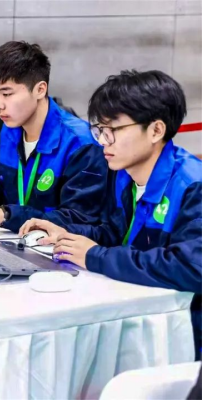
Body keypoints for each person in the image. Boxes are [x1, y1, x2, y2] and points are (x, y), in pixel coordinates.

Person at [20, 70, 202, 358]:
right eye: (100, 130)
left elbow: (191, 267)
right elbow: (117, 233)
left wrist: (96, 257)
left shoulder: (193, 185)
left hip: (186, 338)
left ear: (156, 130)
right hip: (141, 317)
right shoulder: (124, 175)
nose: (104, 141)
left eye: (113, 130)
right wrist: (68, 235)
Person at [0, 41, 108, 233]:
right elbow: (5, 189)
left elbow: (79, 219)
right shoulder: (10, 131)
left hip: (55, 248)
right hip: (17, 239)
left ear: (40, 90)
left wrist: (2, 215)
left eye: (6, 94)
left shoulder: (80, 143)